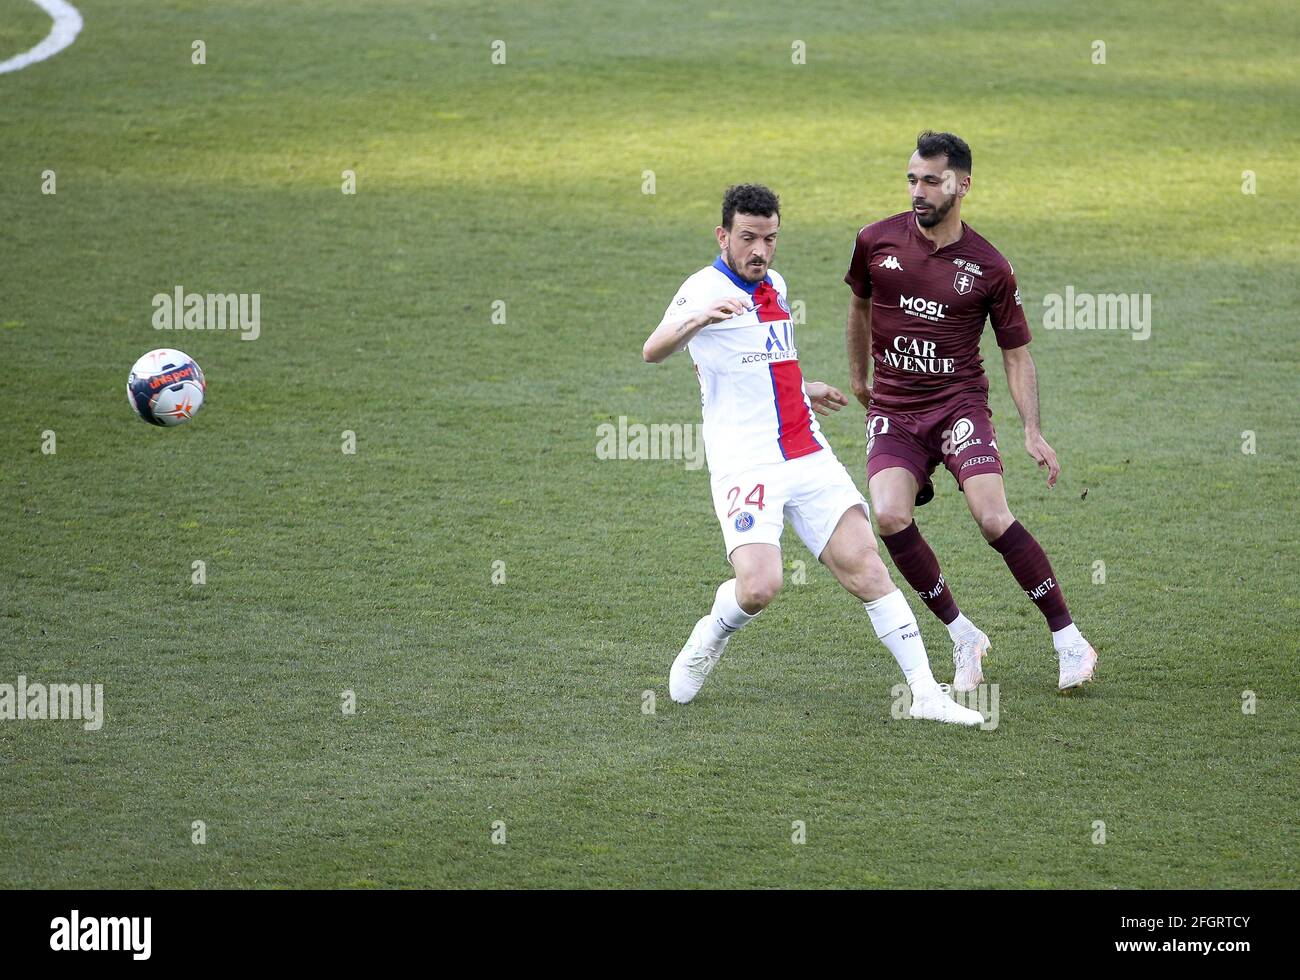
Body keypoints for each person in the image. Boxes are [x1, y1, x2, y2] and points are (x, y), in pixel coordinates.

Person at [642, 183, 983, 725]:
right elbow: (653, 350)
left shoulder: (774, 284)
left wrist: (805, 389)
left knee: (866, 567)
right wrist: (700, 318)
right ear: (723, 235)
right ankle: (712, 632)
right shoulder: (701, 288)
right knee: (758, 588)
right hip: (747, 462)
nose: (760, 250)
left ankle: (924, 692)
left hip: (805, 451)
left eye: (770, 238)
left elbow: (769, 360)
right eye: (749, 238)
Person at [844, 131, 1097, 692]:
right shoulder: (874, 241)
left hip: (957, 405)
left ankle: (1068, 638)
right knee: (887, 515)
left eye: (931, 181)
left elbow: (1015, 351)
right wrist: (860, 379)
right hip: (895, 409)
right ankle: (962, 634)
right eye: (912, 179)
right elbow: (859, 304)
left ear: (962, 184)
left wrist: (1032, 429)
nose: (918, 191)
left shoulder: (989, 266)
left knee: (990, 515)